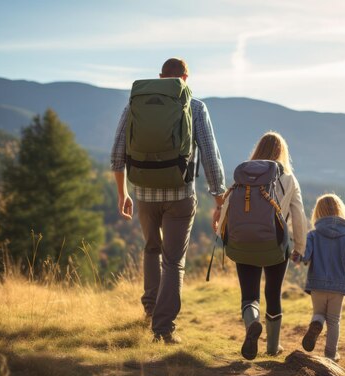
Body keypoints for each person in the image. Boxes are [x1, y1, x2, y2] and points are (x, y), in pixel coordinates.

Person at [111, 58, 227, 344]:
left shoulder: (134, 105)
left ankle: (150, 308)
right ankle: (162, 329)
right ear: (185, 78)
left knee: (152, 249)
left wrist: (122, 192)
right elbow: (210, 157)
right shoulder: (196, 107)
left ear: (161, 76)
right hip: (180, 195)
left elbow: (117, 152)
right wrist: (219, 198)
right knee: (173, 262)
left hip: (144, 193)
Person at [217, 131, 308, 360]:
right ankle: (272, 347)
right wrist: (299, 247)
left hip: (243, 244)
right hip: (275, 246)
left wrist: (223, 236)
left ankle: (252, 324)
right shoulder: (288, 178)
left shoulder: (244, 174)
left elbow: (227, 206)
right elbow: (298, 216)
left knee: (249, 295)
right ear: (282, 152)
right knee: (273, 293)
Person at [300, 194, 345, 361]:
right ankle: (331, 355)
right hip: (338, 287)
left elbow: (305, 257)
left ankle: (316, 322)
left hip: (316, 285)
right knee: (333, 322)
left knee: (318, 313)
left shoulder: (313, 235)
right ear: (339, 210)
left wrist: (297, 254)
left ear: (318, 212)